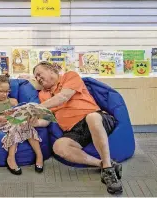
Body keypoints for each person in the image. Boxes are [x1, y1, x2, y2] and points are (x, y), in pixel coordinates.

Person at [30, 61, 123, 194]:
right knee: (58, 146)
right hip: (75, 130)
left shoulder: (70, 76)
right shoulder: (43, 94)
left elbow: (63, 96)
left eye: (39, 74)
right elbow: (46, 120)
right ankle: (102, 164)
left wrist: (38, 107)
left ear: (51, 70)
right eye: (36, 78)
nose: (38, 79)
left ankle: (108, 170)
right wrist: (35, 122)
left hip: (97, 118)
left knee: (92, 117)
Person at [0, 73, 44, 175]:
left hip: (14, 122)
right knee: (16, 126)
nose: (4, 94)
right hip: (1, 124)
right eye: (1, 91)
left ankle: (39, 155)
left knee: (26, 123)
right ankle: (11, 157)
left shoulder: (13, 101)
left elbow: (18, 115)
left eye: (7, 92)